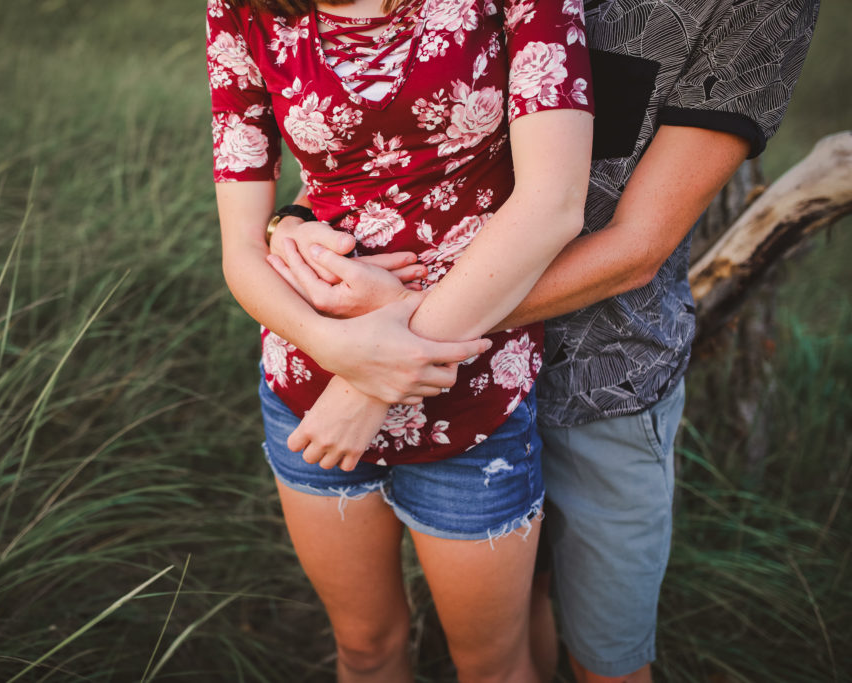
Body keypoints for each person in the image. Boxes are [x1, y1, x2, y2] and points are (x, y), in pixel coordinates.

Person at [267, 0, 821, 680]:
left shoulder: (760, 9)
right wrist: (291, 220)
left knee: (606, 657)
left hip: (603, 375)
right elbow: (407, 128)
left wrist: (405, 328)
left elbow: (636, 249)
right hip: (455, 380)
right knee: (507, 630)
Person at [207, 0, 595, 679]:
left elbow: (553, 203)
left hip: (471, 393)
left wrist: (365, 383)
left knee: (491, 665)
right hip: (309, 386)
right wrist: (333, 350)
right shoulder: (241, 8)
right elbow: (240, 247)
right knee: (364, 646)